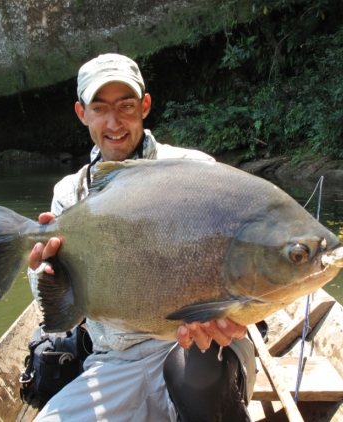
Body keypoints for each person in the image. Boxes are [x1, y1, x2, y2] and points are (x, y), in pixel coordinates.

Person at [27, 53, 256, 422]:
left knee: (193, 377)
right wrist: (45, 276)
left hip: (202, 353)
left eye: (126, 106)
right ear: (81, 113)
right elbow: (60, 314)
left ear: (145, 106)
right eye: (99, 108)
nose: (114, 122)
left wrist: (231, 316)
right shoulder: (69, 197)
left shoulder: (195, 172)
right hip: (116, 361)